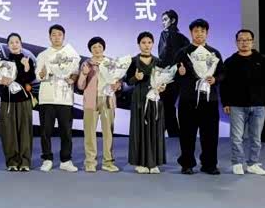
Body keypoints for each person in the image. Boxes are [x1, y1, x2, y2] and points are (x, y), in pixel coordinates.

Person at [221, 30, 265, 176]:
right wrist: (226, 103)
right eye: (241, 40)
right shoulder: (230, 61)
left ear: (252, 42)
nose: (244, 42)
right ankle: (237, 163)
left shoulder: (263, 59)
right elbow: (224, 85)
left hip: (258, 105)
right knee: (236, 137)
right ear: (236, 42)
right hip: (237, 105)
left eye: (247, 40)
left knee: (256, 138)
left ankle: (253, 163)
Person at [175, 19, 225, 175]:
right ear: (191, 33)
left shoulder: (214, 53)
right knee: (187, 134)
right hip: (188, 99)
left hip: (209, 100)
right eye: (196, 31)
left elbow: (222, 73)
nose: (199, 34)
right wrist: (180, 73)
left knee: (210, 135)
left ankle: (209, 164)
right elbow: (173, 76)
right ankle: (187, 164)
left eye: (202, 31)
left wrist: (215, 79)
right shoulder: (182, 52)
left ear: (207, 33)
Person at [36, 24, 80, 173]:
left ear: (63, 36)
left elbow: (75, 73)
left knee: (66, 131)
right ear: (49, 37)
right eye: (53, 34)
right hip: (47, 98)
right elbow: (38, 75)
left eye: (59, 34)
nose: (56, 37)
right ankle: (47, 159)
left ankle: (65, 160)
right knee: (45, 131)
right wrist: (43, 73)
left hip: (65, 98)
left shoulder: (71, 54)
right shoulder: (43, 55)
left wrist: (72, 78)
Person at [77, 37, 120, 173]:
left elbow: (118, 82)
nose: (97, 49)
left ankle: (108, 162)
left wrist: (117, 85)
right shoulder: (86, 64)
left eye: (99, 46)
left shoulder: (111, 63)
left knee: (108, 133)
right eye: (94, 47)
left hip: (107, 100)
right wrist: (84, 74)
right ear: (90, 49)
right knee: (89, 133)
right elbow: (80, 86)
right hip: (91, 101)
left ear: (103, 48)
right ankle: (90, 162)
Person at [127, 32, 167, 174]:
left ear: (153, 44)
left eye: (149, 42)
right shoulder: (133, 61)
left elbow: (164, 81)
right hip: (139, 98)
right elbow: (128, 81)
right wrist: (135, 78)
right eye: (143, 42)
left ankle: (154, 163)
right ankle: (140, 163)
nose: (146, 45)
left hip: (154, 98)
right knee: (139, 129)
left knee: (155, 129)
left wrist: (163, 87)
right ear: (139, 44)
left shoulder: (159, 61)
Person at [0, 33, 36, 172]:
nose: (14, 44)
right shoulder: (3, 61)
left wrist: (26, 67)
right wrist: (1, 81)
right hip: (7, 101)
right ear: (8, 45)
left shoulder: (27, 60)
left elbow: (30, 78)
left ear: (21, 44)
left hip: (23, 101)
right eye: (11, 42)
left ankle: (25, 161)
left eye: (17, 42)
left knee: (25, 131)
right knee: (8, 131)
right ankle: (12, 161)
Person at [158, 9, 189, 137]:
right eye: (162, 20)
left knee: (166, 105)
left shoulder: (165, 35)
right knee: (168, 105)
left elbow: (162, 55)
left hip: (168, 75)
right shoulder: (184, 38)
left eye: (165, 20)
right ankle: (173, 134)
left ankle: (170, 133)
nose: (163, 23)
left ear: (173, 20)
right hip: (177, 77)